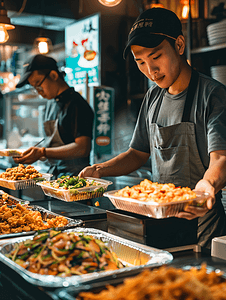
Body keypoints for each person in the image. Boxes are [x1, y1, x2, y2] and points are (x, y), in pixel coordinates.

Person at [79, 8, 226, 249]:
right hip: (159, 222)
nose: (150, 70)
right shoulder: (153, 97)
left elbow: (220, 158)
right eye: (140, 62)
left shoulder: (213, 95)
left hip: (203, 224)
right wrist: (99, 170)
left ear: (179, 45)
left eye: (156, 56)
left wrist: (207, 186)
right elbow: (137, 153)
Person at [14, 54, 94, 179]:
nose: (38, 91)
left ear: (53, 75)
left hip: (76, 180)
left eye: (38, 84)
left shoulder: (77, 104)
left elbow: (83, 148)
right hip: (54, 176)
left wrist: (42, 152)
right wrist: (35, 152)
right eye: (34, 88)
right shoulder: (50, 104)